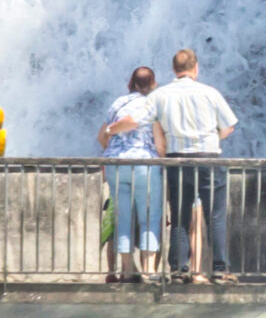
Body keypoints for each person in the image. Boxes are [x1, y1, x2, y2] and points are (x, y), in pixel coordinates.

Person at [154, 48, 239, 284]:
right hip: (208, 157)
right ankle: (220, 269)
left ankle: (179, 269)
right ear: (196, 68)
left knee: (180, 217)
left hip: (177, 158)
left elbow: (149, 120)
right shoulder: (209, 93)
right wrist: (212, 139)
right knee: (215, 216)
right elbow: (229, 125)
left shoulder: (162, 94)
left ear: (174, 69)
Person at [99, 65, 166, 283]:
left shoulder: (118, 103)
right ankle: (147, 270)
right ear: (154, 84)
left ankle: (127, 270)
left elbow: (102, 137)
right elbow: (159, 142)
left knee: (123, 218)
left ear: (131, 84)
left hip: (116, 165)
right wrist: (164, 160)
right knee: (149, 217)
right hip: (144, 165)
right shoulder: (154, 104)